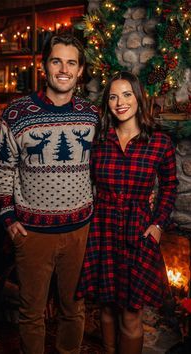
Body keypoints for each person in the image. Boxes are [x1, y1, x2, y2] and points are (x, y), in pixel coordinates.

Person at [0, 33, 99, 354]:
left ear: (81, 70)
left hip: (80, 231)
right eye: (56, 61)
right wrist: (8, 216)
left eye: (71, 62)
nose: (63, 69)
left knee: (73, 309)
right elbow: (3, 168)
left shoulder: (93, 116)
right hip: (33, 233)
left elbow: (101, 166)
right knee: (32, 313)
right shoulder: (16, 114)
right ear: (44, 66)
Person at [76, 71, 178, 354]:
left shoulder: (159, 143)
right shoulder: (98, 142)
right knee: (106, 308)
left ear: (138, 98)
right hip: (102, 228)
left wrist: (158, 224)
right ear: (107, 103)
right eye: (113, 96)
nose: (120, 102)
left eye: (126, 94)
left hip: (138, 231)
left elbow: (170, 186)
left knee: (131, 314)